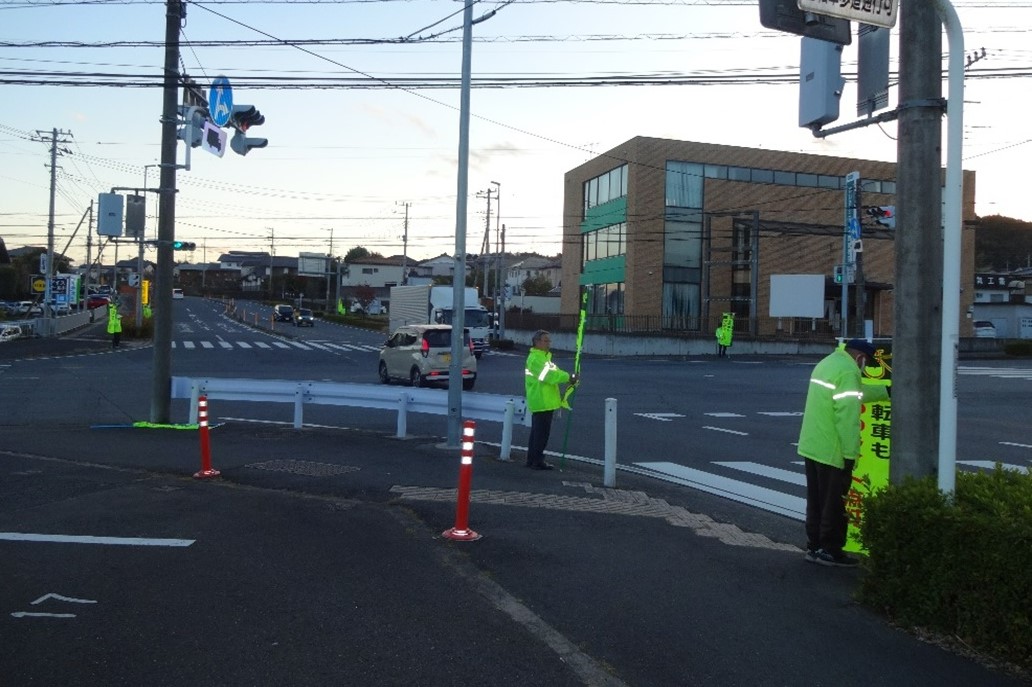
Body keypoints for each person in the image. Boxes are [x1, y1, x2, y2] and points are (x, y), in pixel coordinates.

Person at [797, 338, 878, 567]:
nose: (865, 369)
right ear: (860, 358)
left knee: (816, 500)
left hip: (812, 445)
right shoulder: (849, 372)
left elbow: (855, 394)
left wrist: (885, 391)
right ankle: (831, 550)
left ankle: (814, 546)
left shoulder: (828, 363)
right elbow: (848, 418)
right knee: (834, 503)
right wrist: (851, 455)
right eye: (867, 363)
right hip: (832, 451)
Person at [524, 330, 579, 471]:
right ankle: (537, 461)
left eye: (549, 341)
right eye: (546, 340)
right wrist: (569, 377)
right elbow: (549, 375)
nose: (549, 343)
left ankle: (532, 459)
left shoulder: (542, 357)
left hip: (542, 400)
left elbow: (556, 372)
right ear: (537, 342)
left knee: (538, 432)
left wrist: (568, 376)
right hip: (542, 400)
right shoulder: (536, 359)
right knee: (541, 434)